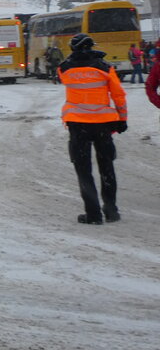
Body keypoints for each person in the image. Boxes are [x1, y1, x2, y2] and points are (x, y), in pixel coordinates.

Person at [58, 33, 127, 225]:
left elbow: (63, 74)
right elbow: (118, 95)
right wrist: (122, 119)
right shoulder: (105, 67)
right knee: (107, 166)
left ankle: (93, 214)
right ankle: (111, 210)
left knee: (83, 169)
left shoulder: (64, 68)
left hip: (77, 124)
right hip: (103, 124)